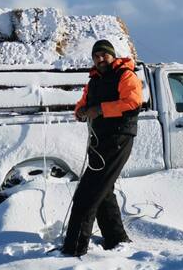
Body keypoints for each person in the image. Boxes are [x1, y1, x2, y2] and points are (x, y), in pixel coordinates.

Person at [61, 39, 142, 256]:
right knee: (103, 190)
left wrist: (101, 110)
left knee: (87, 193)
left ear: (112, 55)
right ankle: (116, 239)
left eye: (103, 55)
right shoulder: (94, 81)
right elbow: (83, 103)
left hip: (118, 138)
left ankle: (73, 249)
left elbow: (133, 102)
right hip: (99, 140)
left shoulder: (125, 75)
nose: (99, 59)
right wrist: (80, 112)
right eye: (96, 56)